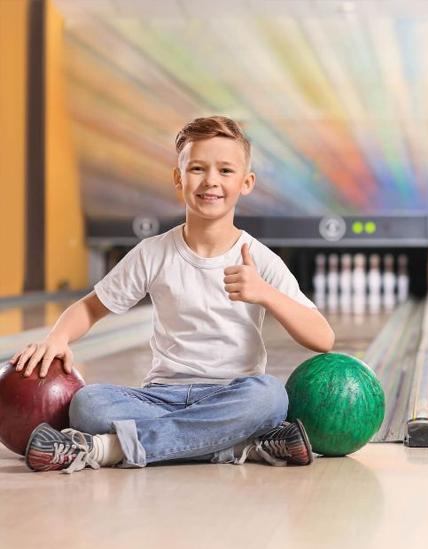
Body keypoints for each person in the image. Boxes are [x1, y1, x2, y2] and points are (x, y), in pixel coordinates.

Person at [12, 116, 335, 473]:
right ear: (178, 179)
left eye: (225, 171)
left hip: (231, 394)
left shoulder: (258, 258)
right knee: (88, 404)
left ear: (247, 183)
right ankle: (236, 444)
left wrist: (266, 294)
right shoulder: (154, 253)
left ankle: (110, 449)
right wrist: (57, 338)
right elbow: (91, 308)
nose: (211, 180)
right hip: (159, 397)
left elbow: (322, 337)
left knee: (270, 397)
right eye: (198, 168)